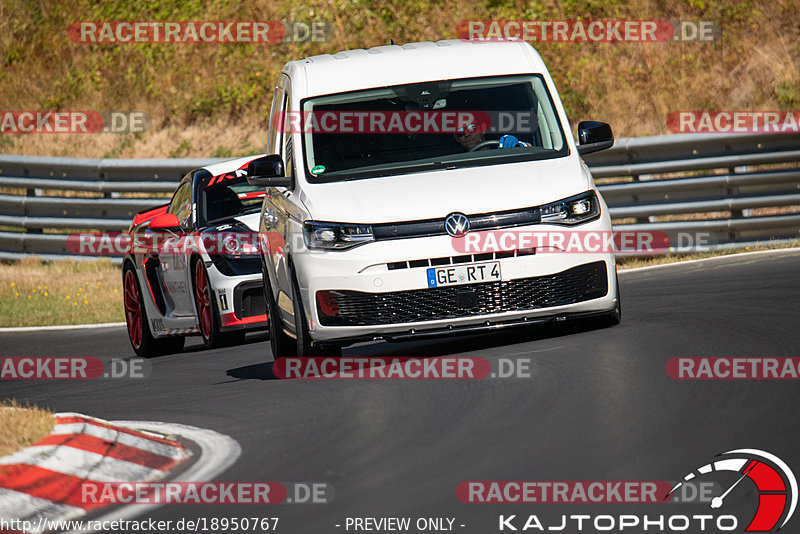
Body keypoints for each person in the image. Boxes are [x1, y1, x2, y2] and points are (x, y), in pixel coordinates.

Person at [454, 123, 531, 151]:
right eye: (460, 132)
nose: (467, 134)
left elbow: (531, 149)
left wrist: (519, 145)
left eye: (471, 128)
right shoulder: (454, 162)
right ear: (456, 138)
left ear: (482, 129)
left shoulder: (501, 149)